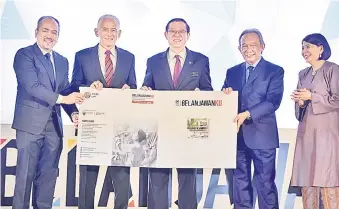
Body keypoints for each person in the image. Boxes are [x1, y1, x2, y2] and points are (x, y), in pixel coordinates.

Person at [141, 18, 213, 209]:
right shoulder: (153, 61)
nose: (177, 35)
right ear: (165, 35)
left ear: (188, 35)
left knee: (188, 180)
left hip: (189, 129)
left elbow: (207, 89)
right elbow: (147, 86)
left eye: (182, 32)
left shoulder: (201, 60)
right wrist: (145, 90)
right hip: (160, 128)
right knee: (157, 180)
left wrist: (201, 95)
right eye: (173, 31)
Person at [12, 16, 82, 209]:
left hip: (54, 128)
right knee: (25, 177)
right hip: (29, 126)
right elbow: (32, 86)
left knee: (48, 178)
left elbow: (66, 90)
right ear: (36, 32)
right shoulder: (24, 55)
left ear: (58, 37)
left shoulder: (62, 61)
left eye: (54, 32)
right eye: (45, 30)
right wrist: (63, 99)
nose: (49, 36)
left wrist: (73, 113)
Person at [70, 14, 137, 209]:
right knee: (87, 182)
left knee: (122, 181)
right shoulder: (82, 56)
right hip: (92, 126)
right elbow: (75, 87)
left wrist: (128, 89)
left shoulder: (129, 57)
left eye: (113, 30)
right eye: (105, 29)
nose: (109, 34)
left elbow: (132, 85)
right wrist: (89, 87)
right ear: (96, 32)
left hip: (121, 129)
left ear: (119, 33)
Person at [222, 28, 284, 209]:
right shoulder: (232, 72)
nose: (249, 49)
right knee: (239, 185)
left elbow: (273, 102)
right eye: (244, 46)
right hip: (237, 137)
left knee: (265, 185)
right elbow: (224, 98)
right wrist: (224, 93)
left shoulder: (274, 71)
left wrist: (248, 114)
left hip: (262, 137)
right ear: (239, 48)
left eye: (253, 45)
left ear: (262, 47)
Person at [290, 33, 339, 209]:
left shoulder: (333, 69)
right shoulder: (303, 73)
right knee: (307, 181)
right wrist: (300, 103)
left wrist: (312, 96)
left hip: (327, 135)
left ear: (321, 48)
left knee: (328, 178)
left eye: (308, 46)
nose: (304, 51)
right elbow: (300, 110)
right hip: (307, 134)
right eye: (302, 47)